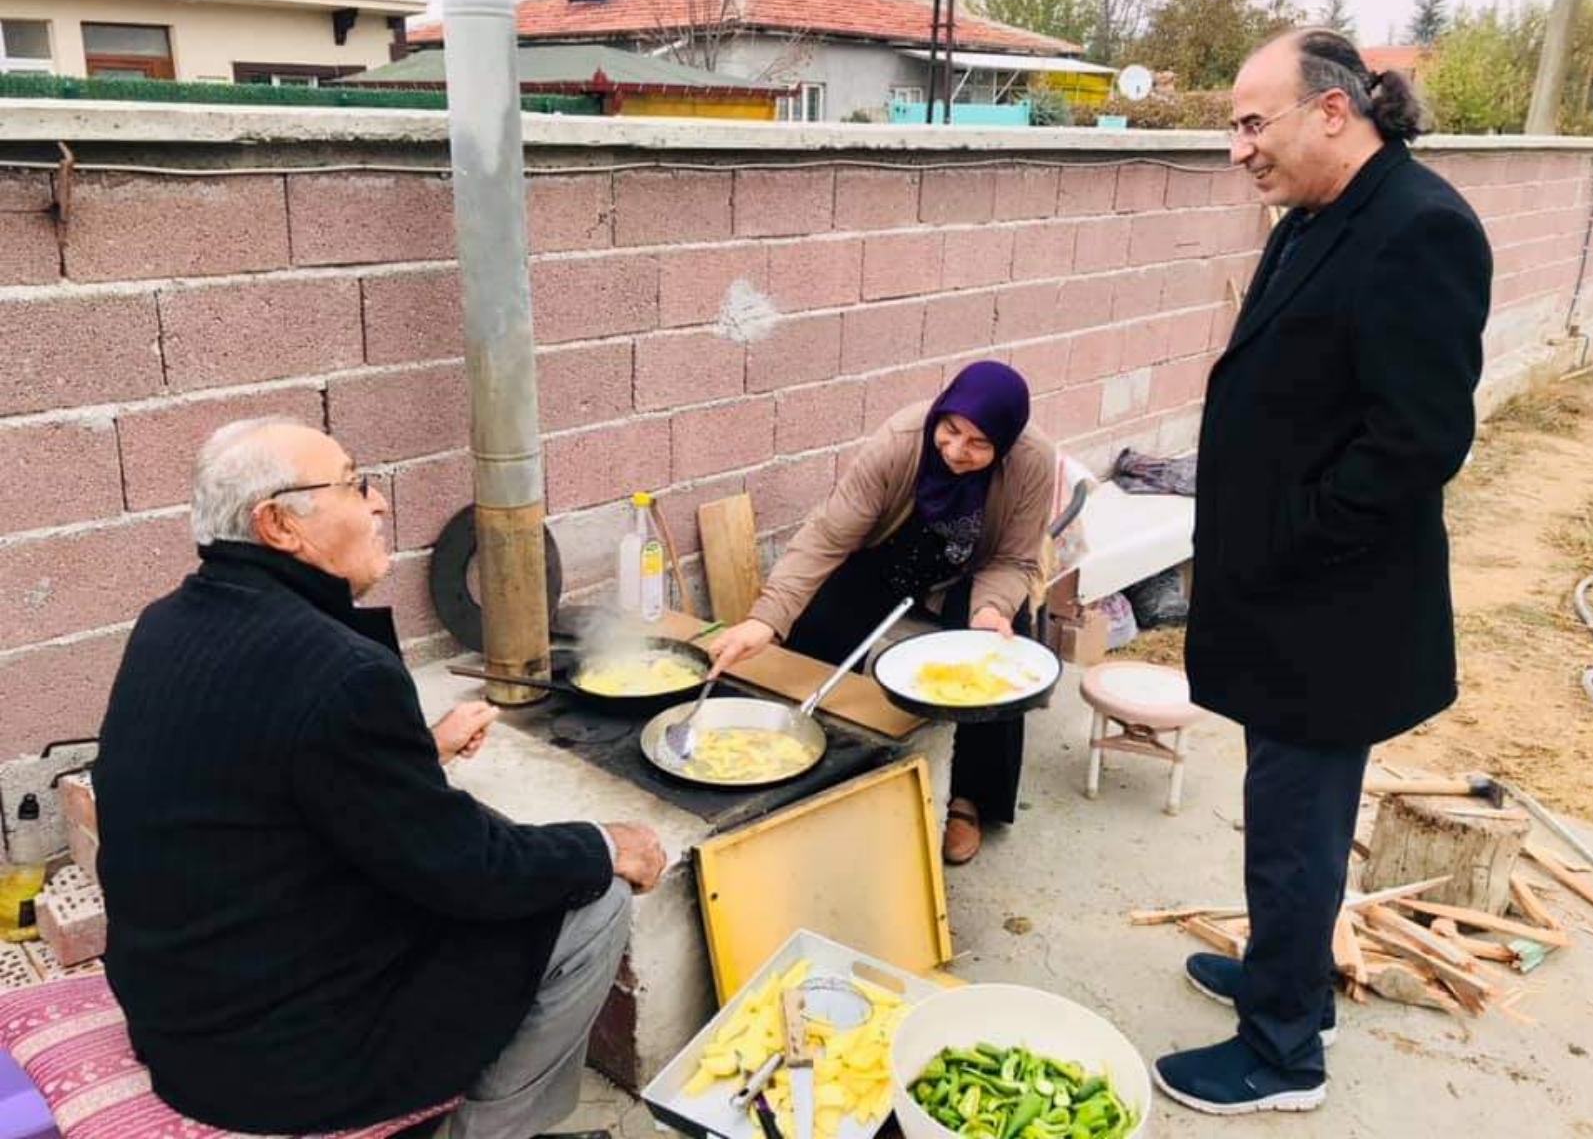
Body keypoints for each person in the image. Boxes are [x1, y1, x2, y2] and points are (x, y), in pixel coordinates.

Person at [94, 418, 668, 1139]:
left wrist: (416, 752)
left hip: (180, 1020)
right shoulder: (337, 673)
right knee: (594, 901)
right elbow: (469, 872)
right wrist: (602, 843)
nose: (377, 503)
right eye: (352, 483)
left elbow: (266, 782)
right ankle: (494, 1132)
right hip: (283, 1060)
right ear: (278, 526)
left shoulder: (168, 622)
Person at [1154, 29, 1491, 1114]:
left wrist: (1292, 537)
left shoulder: (1420, 228)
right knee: (1280, 815)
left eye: (1253, 122)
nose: (1237, 148)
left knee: (1295, 833)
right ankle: (1282, 975)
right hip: (1284, 591)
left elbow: (1417, 440)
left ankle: (1282, 1053)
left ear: (1334, 112)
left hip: (1329, 605)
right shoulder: (1316, 218)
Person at [708, 361, 1053, 865]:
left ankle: (970, 800)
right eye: (951, 430)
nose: (956, 452)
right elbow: (830, 536)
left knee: (997, 667)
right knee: (816, 624)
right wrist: (767, 618)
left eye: (979, 444)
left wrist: (990, 611)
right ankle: (810, 756)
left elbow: (1014, 559)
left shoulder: (1033, 462)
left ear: (1004, 443)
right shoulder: (902, 440)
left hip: (975, 573)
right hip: (892, 551)